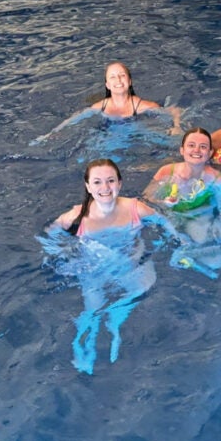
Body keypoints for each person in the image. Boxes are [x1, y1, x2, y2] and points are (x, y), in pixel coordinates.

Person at [46, 160, 157, 374]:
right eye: (97, 182)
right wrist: (64, 257)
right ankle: (82, 348)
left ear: (120, 183)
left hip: (129, 264)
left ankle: (114, 323)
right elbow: (50, 237)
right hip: (93, 269)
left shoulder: (137, 208)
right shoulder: (75, 217)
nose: (105, 188)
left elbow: (165, 223)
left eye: (110, 181)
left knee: (143, 288)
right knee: (92, 311)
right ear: (88, 187)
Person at [145, 127, 221, 277]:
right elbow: (147, 199)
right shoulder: (166, 172)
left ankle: (189, 257)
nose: (197, 150)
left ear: (210, 153)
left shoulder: (219, 182)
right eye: (191, 145)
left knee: (219, 259)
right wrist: (163, 203)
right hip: (167, 216)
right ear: (182, 150)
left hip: (197, 218)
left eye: (203, 147)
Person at [32, 62, 183, 144]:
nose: (118, 80)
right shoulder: (99, 107)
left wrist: (176, 127)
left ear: (129, 82)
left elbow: (174, 110)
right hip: (109, 136)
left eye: (122, 76)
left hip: (137, 135)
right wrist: (51, 134)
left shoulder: (143, 106)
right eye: (112, 77)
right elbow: (73, 119)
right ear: (107, 85)